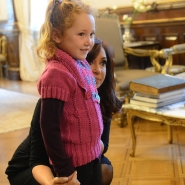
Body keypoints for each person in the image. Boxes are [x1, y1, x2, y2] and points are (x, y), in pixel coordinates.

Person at [5, 38, 122, 185]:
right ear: (78, 65)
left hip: (76, 158)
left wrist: (87, 144)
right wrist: (55, 182)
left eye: (103, 63)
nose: (98, 70)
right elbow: (37, 159)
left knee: (104, 170)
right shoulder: (51, 101)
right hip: (32, 168)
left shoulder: (101, 98)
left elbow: (103, 144)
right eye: (90, 61)